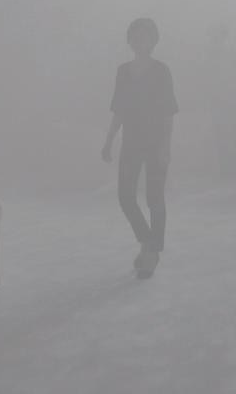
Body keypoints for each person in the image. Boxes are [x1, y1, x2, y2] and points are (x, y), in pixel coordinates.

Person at [102, 18, 178, 278]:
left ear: (153, 40)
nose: (138, 40)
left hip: (156, 141)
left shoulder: (161, 71)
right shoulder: (123, 71)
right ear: (129, 39)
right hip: (131, 141)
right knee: (125, 197)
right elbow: (119, 110)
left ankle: (151, 253)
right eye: (134, 36)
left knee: (154, 198)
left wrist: (166, 147)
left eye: (144, 36)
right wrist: (109, 140)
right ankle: (148, 242)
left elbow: (168, 113)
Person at [205, 23, 236, 181]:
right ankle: (228, 170)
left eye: (218, 35)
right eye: (214, 35)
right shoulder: (212, 55)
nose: (215, 38)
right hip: (220, 101)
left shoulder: (228, 55)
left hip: (228, 100)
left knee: (233, 133)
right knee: (222, 134)